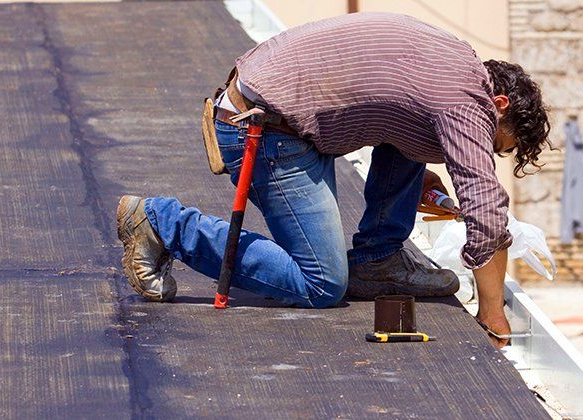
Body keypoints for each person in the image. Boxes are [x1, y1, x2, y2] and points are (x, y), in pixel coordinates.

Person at [115, 12, 550, 346]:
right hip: (263, 131)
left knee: (412, 142)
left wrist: (420, 178)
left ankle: (378, 262)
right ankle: (161, 223)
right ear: (499, 102)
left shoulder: (455, 63)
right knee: (321, 284)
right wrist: (493, 314)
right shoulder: (466, 103)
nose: (482, 149)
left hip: (274, 106)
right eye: (493, 143)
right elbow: (488, 216)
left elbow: (393, 109)